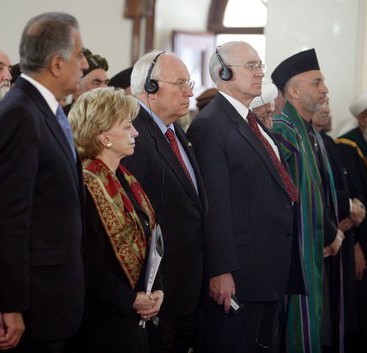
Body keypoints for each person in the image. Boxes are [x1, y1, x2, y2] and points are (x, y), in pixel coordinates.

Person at [0, 12, 88, 353]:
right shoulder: (20, 114)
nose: (83, 64)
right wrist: (12, 304)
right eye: (79, 55)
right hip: (32, 300)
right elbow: (6, 219)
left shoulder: (43, 109)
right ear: (56, 63)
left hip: (53, 291)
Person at [187, 41, 301, 353]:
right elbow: (214, 205)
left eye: (259, 64)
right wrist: (220, 270)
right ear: (223, 73)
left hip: (265, 270)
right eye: (250, 66)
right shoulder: (210, 125)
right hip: (239, 275)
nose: (260, 72)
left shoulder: (250, 122)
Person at [121, 50, 206, 353]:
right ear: (150, 88)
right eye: (180, 83)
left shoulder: (176, 131)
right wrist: (144, 288)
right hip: (156, 291)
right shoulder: (134, 134)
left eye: (189, 82)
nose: (190, 91)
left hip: (184, 288)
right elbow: (130, 220)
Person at [69, 87, 163, 353]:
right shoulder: (84, 184)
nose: (135, 133)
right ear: (103, 137)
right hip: (102, 320)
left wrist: (157, 289)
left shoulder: (125, 177)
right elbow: (86, 262)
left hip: (135, 314)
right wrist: (130, 299)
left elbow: (151, 237)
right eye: (127, 126)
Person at [271, 48, 344, 353]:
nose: (325, 89)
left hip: (320, 248)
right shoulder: (285, 132)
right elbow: (295, 199)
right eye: (317, 82)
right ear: (294, 91)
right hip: (298, 255)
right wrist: (330, 231)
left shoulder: (310, 131)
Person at [312, 99, 366, 352]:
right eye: (321, 105)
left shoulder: (330, 143)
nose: (327, 110)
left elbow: (348, 187)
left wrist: (355, 208)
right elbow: (316, 192)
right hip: (324, 240)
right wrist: (346, 208)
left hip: (342, 237)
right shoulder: (305, 142)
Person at [336, 86, 367, 352]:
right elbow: (349, 199)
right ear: (363, 119)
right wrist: (355, 247)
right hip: (366, 243)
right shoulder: (348, 146)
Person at [64, 48, 108, 114]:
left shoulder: (113, 118)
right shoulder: (60, 119)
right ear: (77, 88)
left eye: (106, 82)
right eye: (97, 83)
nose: (104, 89)